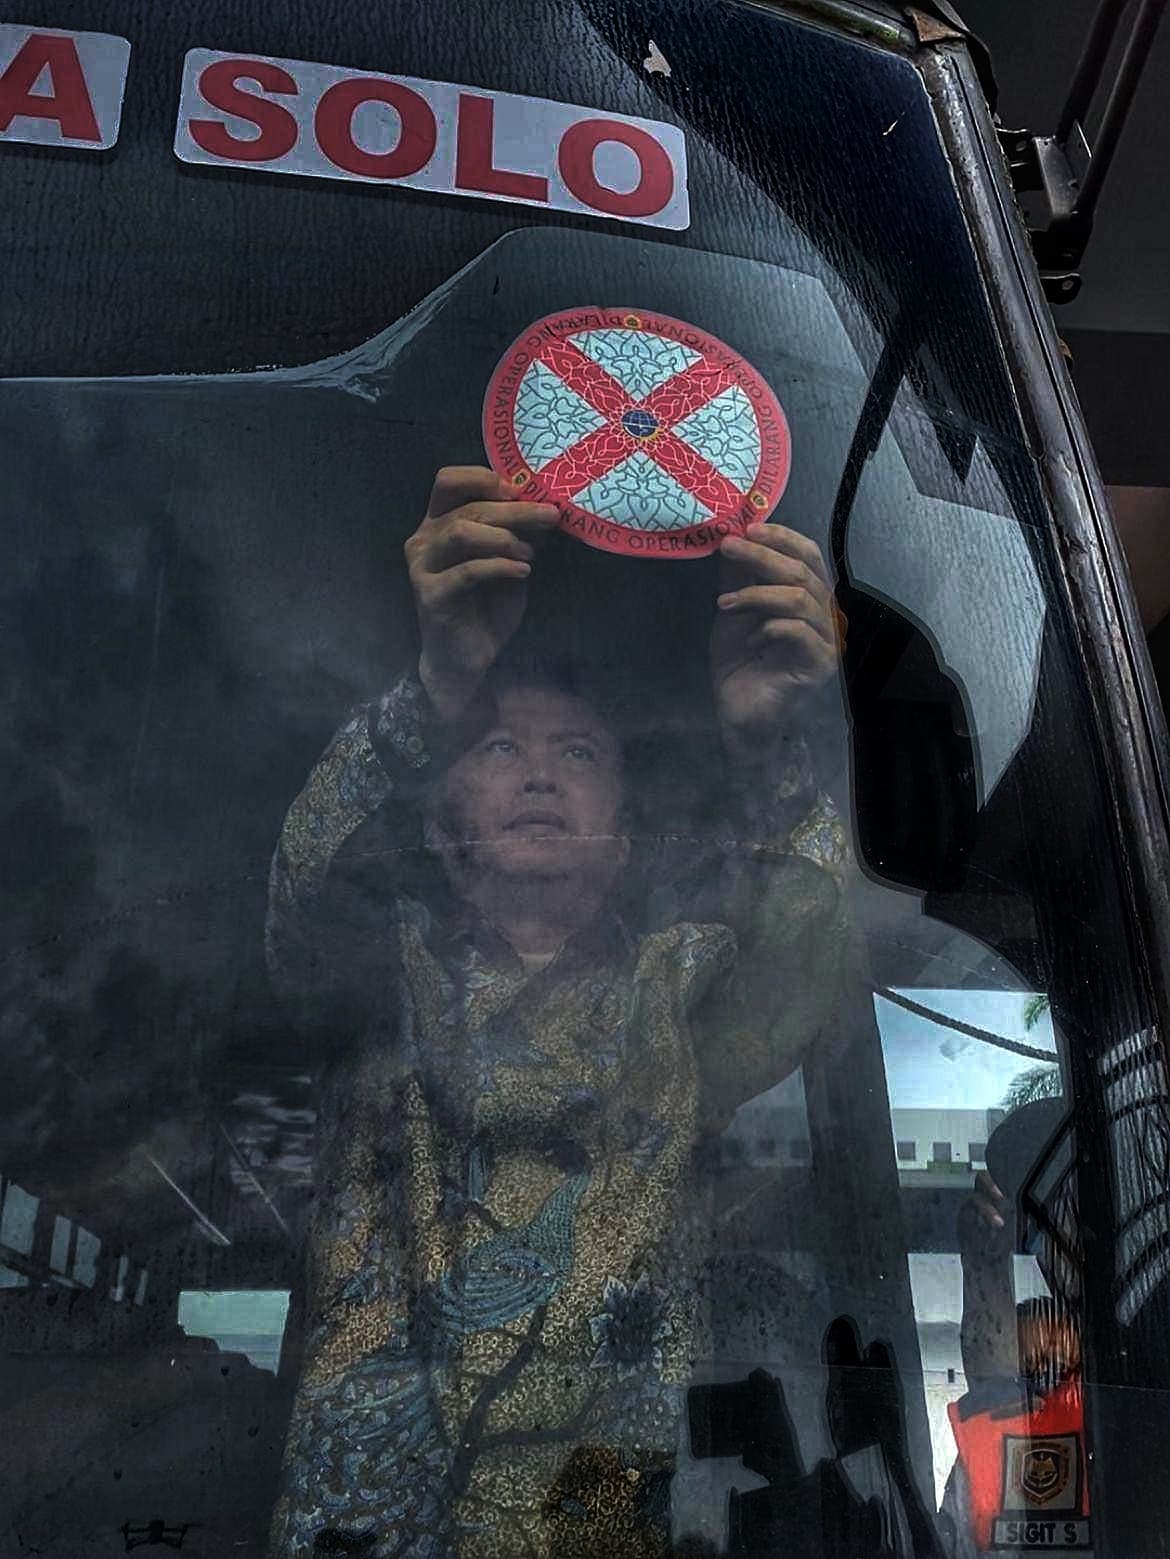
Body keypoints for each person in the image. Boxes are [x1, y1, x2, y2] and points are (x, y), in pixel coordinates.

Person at [265, 466, 849, 1559]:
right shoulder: (374, 980)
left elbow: (812, 963)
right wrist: (431, 688)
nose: (539, 774)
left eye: (577, 752)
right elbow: (302, 900)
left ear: (622, 832)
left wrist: (768, 749)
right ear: (436, 824)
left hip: (600, 1514)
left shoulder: (680, 1000)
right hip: (372, 1522)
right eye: (497, 747)